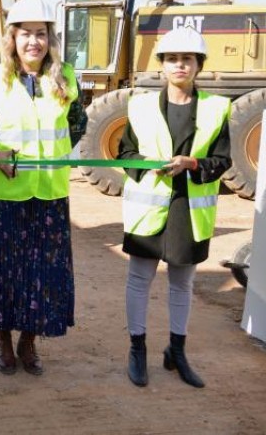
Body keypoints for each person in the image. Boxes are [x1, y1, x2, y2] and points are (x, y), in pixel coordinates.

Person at [0, 0, 86, 376]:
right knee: (6, 271)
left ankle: (29, 341)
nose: (33, 42)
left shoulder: (66, 77)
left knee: (42, 272)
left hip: (50, 193)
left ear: (50, 38)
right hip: (6, 195)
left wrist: (55, 154)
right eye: (25, 34)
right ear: (12, 38)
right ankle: (4, 339)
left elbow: (78, 125)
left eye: (40, 34)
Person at [118, 26, 231, 389]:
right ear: (162, 66)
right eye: (172, 59)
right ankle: (137, 349)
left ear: (198, 65)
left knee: (181, 284)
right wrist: (151, 164)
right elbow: (125, 154)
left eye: (187, 59)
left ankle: (176, 351)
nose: (179, 65)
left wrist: (193, 164)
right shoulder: (140, 106)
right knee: (140, 279)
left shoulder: (216, 108)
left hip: (188, 210)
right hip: (149, 210)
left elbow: (222, 160)